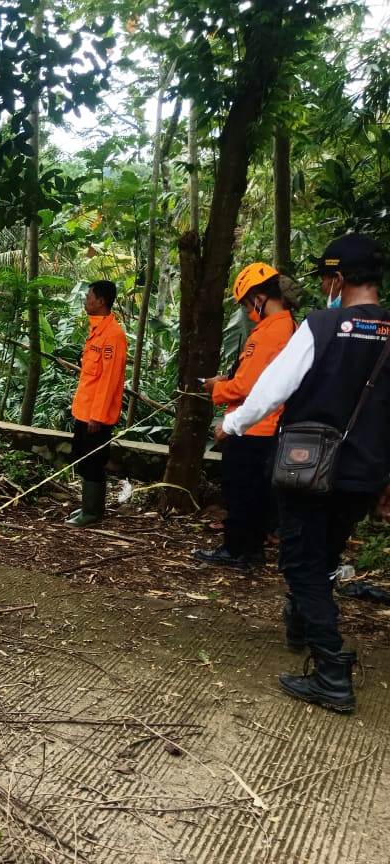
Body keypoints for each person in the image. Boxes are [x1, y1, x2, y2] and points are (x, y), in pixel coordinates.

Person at [217, 233, 390, 713]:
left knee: (303, 564)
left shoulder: (322, 325)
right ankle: (303, 623)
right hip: (364, 475)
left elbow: (273, 388)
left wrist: (231, 424)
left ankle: (332, 672)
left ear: (336, 279)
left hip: (309, 469)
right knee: (326, 553)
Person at [194, 263, 296, 569]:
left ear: (259, 297)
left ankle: (237, 550)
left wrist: (217, 388)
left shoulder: (270, 331)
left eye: (247, 304)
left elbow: (246, 386)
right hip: (266, 426)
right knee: (254, 494)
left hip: (253, 427)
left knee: (240, 492)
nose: (247, 311)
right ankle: (249, 550)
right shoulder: (285, 327)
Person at [66, 280, 128, 527]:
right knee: (84, 459)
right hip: (84, 411)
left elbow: (109, 380)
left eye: (89, 296)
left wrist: (98, 416)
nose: (86, 300)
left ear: (101, 301)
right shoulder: (97, 331)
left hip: (96, 416)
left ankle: (92, 513)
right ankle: (88, 507)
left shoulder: (113, 336)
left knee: (94, 461)